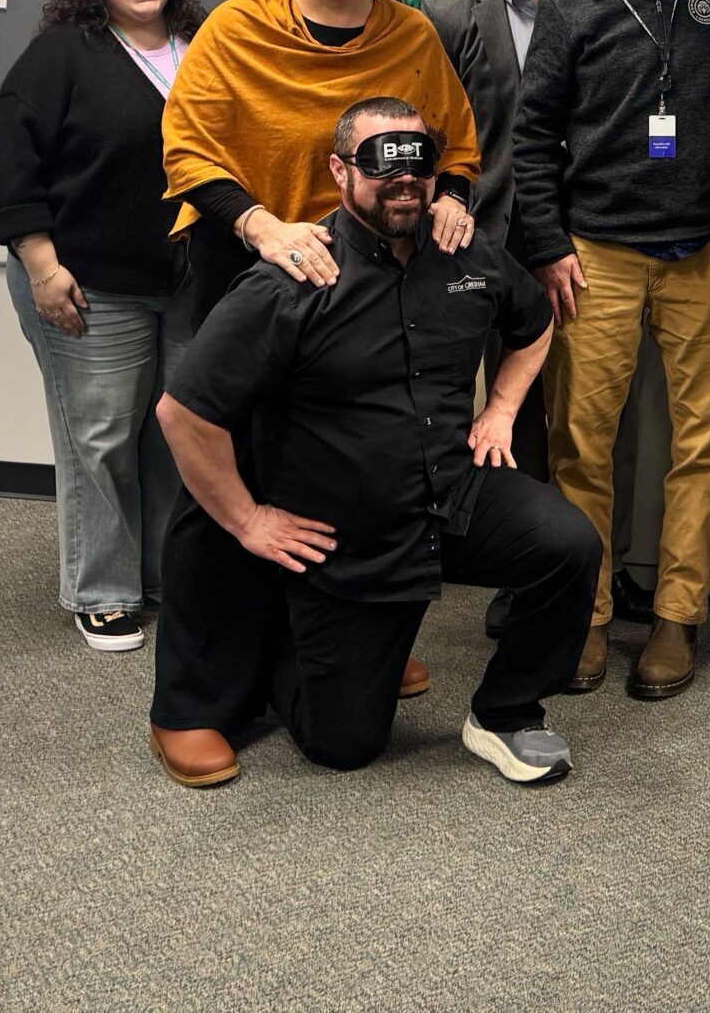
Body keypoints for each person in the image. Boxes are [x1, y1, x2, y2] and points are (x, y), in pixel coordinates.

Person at [150, 99, 599, 788]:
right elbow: (182, 413)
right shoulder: (293, 281)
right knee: (345, 744)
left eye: (417, 164)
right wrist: (248, 521)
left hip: (451, 497)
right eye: (381, 164)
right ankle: (289, 641)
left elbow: (533, 322)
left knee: (569, 544)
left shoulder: (467, 256)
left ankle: (505, 713)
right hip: (346, 541)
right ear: (339, 170)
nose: (403, 181)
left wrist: (503, 408)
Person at [149, 0, 482, 750]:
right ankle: (193, 703)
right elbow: (188, 149)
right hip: (260, 276)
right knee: (224, 484)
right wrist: (262, 226)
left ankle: (347, 642)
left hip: (367, 286)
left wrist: (452, 196)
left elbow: (453, 142)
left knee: (353, 468)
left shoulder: (408, 33)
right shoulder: (234, 28)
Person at [512, 0, 710, 701]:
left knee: (702, 445)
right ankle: (581, 618)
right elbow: (534, 131)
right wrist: (545, 244)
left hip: (709, 250)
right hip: (597, 253)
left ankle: (676, 618)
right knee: (582, 443)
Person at [0, 0, 209, 651]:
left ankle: (165, 574)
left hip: (186, 277)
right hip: (85, 281)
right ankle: (103, 589)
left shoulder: (202, 49)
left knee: (176, 432)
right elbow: (9, 167)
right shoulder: (62, 56)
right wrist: (41, 267)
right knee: (102, 434)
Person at [424, 0, 575, 485]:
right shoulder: (447, 14)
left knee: (585, 413)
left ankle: (596, 568)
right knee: (501, 409)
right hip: (485, 237)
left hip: (585, 236)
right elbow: (431, 129)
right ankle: (521, 564)